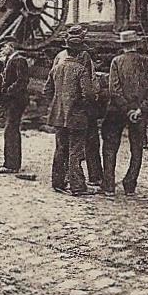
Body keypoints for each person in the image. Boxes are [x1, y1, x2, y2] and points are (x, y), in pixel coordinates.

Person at [101, 30, 148, 196]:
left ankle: (109, 184)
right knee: (137, 148)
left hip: (117, 111)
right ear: (136, 44)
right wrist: (139, 109)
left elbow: (114, 90)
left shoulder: (116, 62)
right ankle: (130, 184)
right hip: (139, 112)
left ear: (123, 45)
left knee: (110, 147)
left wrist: (127, 109)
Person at [43, 29, 96, 196]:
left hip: (58, 116)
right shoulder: (81, 70)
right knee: (75, 151)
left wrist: (57, 103)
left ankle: (58, 183)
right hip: (77, 116)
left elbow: (47, 90)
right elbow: (88, 94)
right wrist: (84, 105)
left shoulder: (56, 68)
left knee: (60, 149)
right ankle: (78, 186)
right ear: (79, 51)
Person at [54, 25, 103, 186]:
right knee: (89, 142)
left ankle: (63, 178)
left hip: (61, 110)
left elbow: (52, 85)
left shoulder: (59, 57)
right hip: (79, 109)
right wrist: (94, 97)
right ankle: (94, 176)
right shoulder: (83, 57)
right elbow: (90, 80)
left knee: (62, 146)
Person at [0, 37, 30, 174]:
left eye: (3, 47)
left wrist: (6, 92)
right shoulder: (11, 60)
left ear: (11, 46)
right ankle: (11, 162)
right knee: (11, 130)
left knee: (11, 130)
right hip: (13, 100)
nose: (2, 50)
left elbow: (22, 81)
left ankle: (11, 164)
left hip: (17, 100)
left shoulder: (19, 60)